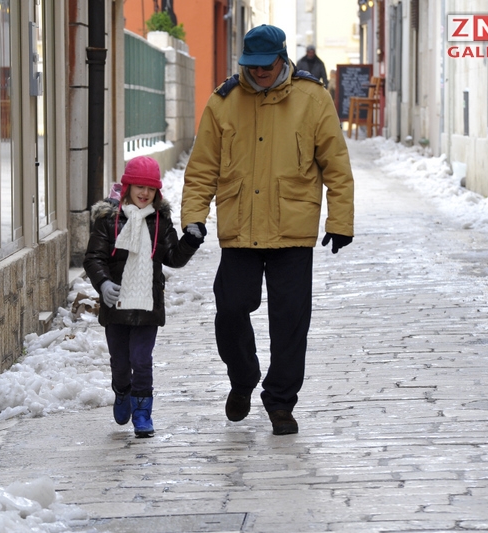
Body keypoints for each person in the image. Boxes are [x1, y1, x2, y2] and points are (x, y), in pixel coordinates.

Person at [181, 24, 354, 436]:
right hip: (239, 226)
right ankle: (243, 377)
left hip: (292, 228)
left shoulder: (313, 98)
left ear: (282, 58)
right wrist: (193, 217)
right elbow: (202, 167)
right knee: (230, 309)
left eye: (267, 65)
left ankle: (280, 402)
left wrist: (340, 220)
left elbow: (336, 164)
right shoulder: (223, 102)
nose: (259, 73)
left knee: (290, 321)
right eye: (252, 66)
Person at [84, 156, 206, 438]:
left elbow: (173, 257)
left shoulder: (160, 221)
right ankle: (122, 391)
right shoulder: (108, 220)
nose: (145, 193)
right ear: (127, 187)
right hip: (116, 304)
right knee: (120, 362)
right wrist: (103, 283)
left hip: (147, 306)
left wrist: (190, 241)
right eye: (140, 187)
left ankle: (142, 413)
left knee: (141, 360)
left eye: (151, 189)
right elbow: (94, 258)